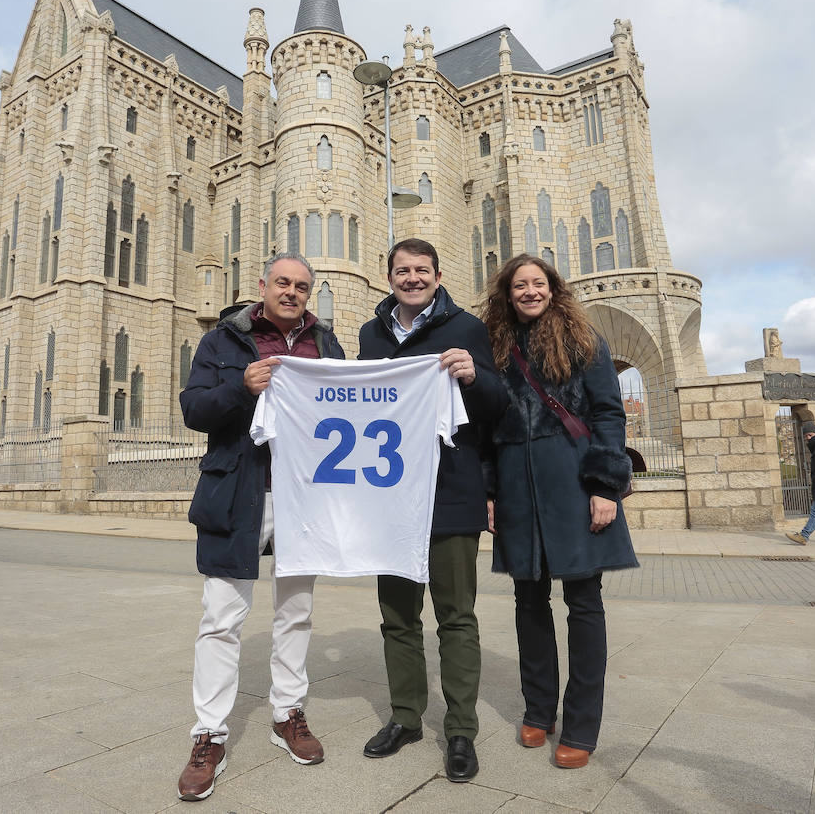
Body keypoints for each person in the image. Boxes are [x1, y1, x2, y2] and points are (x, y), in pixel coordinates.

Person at [176, 253, 345, 802]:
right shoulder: (222, 342)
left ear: (309, 293)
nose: (292, 292)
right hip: (239, 490)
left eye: (301, 286)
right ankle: (209, 734)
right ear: (262, 286)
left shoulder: (328, 344)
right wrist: (241, 388)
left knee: (296, 611)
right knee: (222, 616)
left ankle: (287, 714)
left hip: (306, 495)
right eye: (283, 283)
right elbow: (194, 410)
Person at [357, 238, 508, 784]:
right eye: (403, 270)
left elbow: (497, 410)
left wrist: (476, 375)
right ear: (389, 275)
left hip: (450, 492)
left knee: (456, 616)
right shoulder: (370, 335)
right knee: (398, 616)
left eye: (422, 270)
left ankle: (461, 729)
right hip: (390, 498)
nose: (413, 278)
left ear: (438, 276)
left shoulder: (467, 330)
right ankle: (405, 718)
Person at [480, 254, 638, 769]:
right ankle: (538, 708)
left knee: (584, 603)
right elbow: (483, 424)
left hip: (573, 477)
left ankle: (582, 724)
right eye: (519, 285)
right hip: (515, 483)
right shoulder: (496, 347)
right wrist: (491, 491)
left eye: (537, 283)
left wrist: (604, 487)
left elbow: (609, 413)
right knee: (529, 602)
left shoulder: (583, 340)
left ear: (553, 288)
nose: (529, 292)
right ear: (507, 294)